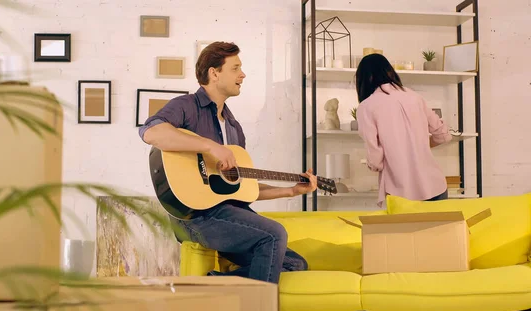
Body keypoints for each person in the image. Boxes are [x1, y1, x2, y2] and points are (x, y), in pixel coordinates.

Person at [138, 41, 314, 284]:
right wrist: (210, 146)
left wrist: (291, 191)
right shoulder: (187, 106)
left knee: (295, 264)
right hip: (194, 217)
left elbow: (242, 189)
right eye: (235, 68)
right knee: (274, 234)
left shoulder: (233, 128)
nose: (243, 74)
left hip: (228, 217)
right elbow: (150, 132)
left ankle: (214, 283)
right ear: (214, 72)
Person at [355, 53, 453, 207]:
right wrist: (418, 146)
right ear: (389, 71)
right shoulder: (415, 97)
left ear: (363, 79)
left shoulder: (367, 107)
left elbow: (375, 161)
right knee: (438, 232)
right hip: (435, 186)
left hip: (400, 193)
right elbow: (443, 135)